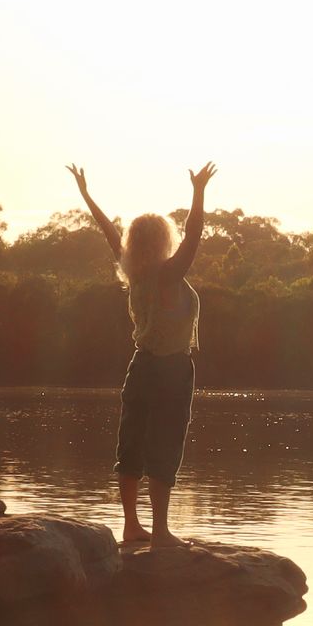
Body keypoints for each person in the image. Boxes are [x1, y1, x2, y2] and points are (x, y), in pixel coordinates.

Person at [67, 160, 217, 549]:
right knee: (165, 444)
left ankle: (132, 526)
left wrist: (86, 194)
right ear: (164, 240)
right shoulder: (170, 273)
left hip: (141, 366)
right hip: (171, 369)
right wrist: (198, 191)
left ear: (134, 242)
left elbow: (107, 231)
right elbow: (196, 235)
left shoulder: (133, 270)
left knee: (131, 442)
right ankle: (161, 532)